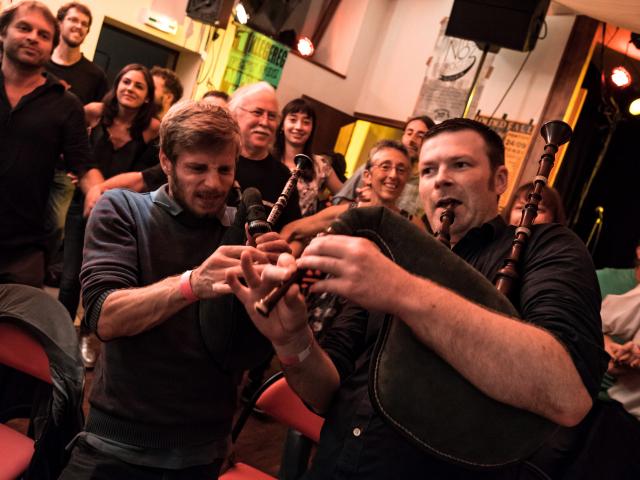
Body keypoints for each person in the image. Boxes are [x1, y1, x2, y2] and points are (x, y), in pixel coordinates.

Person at [228, 118, 607, 478]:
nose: (441, 180)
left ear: (500, 180)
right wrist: (292, 338)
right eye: (427, 171)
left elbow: (567, 394)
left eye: (460, 165)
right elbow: (326, 394)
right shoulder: (393, 256)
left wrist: (400, 290)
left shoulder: (545, 248)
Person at [59, 100, 287, 479]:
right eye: (197, 168)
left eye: (224, 169)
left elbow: (239, 349)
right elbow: (104, 316)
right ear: (166, 161)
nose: (214, 183)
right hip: (116, 443)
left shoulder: (242, 233)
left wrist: (275, 298)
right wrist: (192, 283)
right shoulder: (124, 209)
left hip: (202, 450)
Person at [59, 63, 160, 367]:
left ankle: (89, 336)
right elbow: (72, 147)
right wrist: (77, 170)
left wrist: (102, 189)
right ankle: (60, 337)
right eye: (125, 82)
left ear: (147, 97)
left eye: (138, 86)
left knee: (101, 280)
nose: (130, 88)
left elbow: (146, 175)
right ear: (116, 85)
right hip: (83, 205)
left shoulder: (153, 129)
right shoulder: (93, 112)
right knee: (69, 279)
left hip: (122, 214)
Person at [0, 0, 103, 287]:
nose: (33, 37)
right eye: (24, 28)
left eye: (44, 35)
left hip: (22, 248)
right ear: (3, 33)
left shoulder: (65, 104)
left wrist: (97, 193)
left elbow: (84, 165)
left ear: (51, 46)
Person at [44, 1, 108, 286]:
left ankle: (35, 275)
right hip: (28, 157)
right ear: (60, 23)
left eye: (84, 24)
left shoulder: (95, 76)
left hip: (64, 168)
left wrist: (83, 167)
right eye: (73, 20)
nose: (78, 27)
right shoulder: (41, 63)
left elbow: (98, 127)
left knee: (54, 226)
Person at [281, 140, 424, 249]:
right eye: (385, 167)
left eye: (401, 170)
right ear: (367, 176)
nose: (393, 175)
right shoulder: (346, 212)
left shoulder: (413, 225)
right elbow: (291, 230)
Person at [332, 115, 434, 216]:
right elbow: (340, 201)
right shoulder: (372, 167)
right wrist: (361, 206)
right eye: (409, 133)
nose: (411, 140)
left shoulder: (429, 183)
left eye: (420, 136)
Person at [273, 98, 343, 216]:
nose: (299, 127)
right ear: (282, 125)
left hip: (297, 232)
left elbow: (345, 197)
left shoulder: (320, 165)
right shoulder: (266, 156)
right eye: (293, 120)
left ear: (312, 128)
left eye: (306, 122)